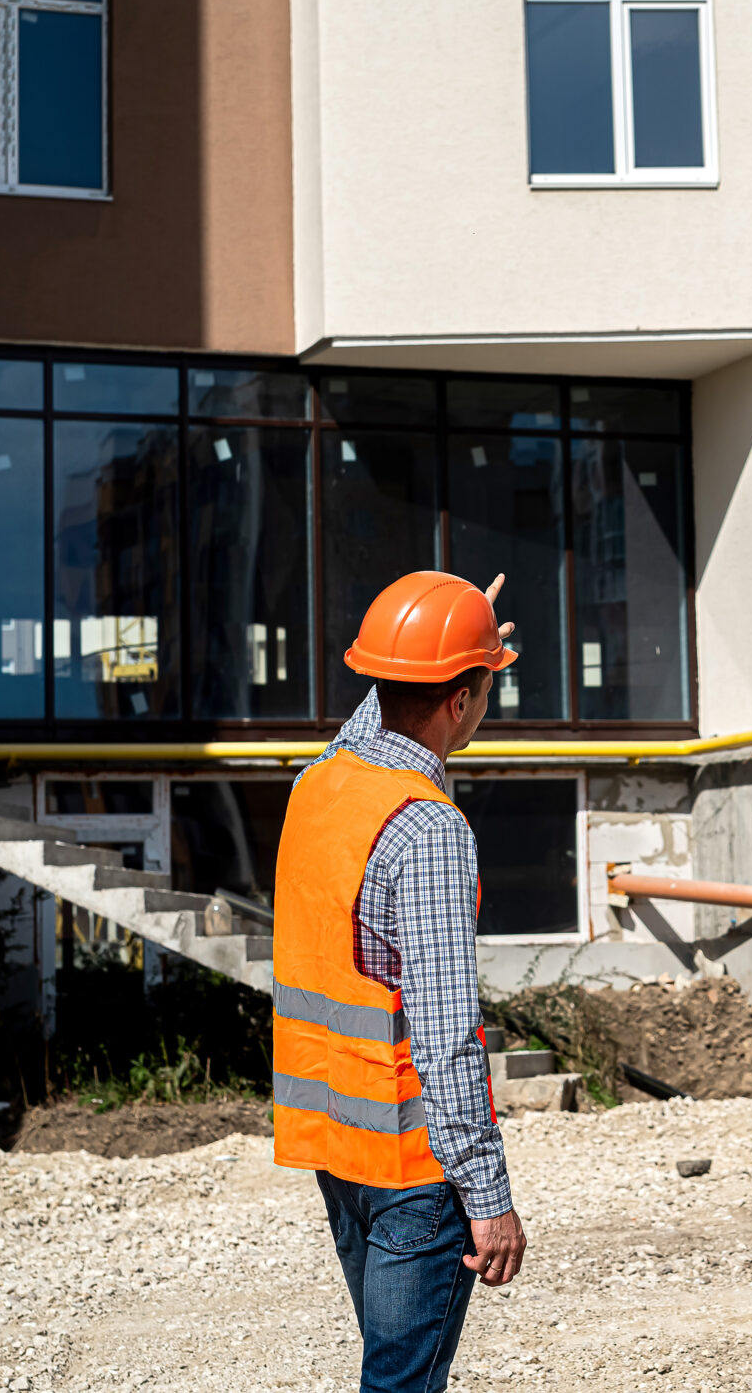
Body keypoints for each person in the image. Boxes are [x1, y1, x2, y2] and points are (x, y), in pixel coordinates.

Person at [273, 570, 527, 1393]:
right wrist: (488, 1198)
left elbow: (376, 718)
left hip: (334, 1144)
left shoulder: (319, 784)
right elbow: (449, 1031)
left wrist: (441, 636)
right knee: (400, 1385)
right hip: (414, 1168)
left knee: (389, 1372)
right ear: (463, 701)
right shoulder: (427, 829)